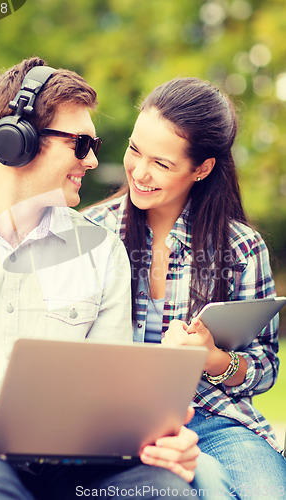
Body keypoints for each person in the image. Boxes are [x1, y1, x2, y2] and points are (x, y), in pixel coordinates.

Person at [0, 57, 234, 500]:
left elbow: (113, 402)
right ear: (15, 142)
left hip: (73, 464)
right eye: (80, 144)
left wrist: (161, 442)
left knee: (164, 490)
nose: (94, 159)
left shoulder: (102, 251)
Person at [84, 76, 286, 499]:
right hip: (119, 423)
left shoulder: (240, 249)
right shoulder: (92, 233)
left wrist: (213, 360)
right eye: (135, 150)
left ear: (202, 168)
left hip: (217, 420)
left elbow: (265, 366)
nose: (139, 172)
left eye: (162, 163)